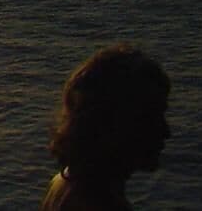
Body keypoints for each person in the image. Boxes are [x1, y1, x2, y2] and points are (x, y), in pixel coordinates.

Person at [40, 44, 170, 210]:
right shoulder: (100, 204)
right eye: (150, 118)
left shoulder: (62, 184)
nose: (166, 132)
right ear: (114, 123)